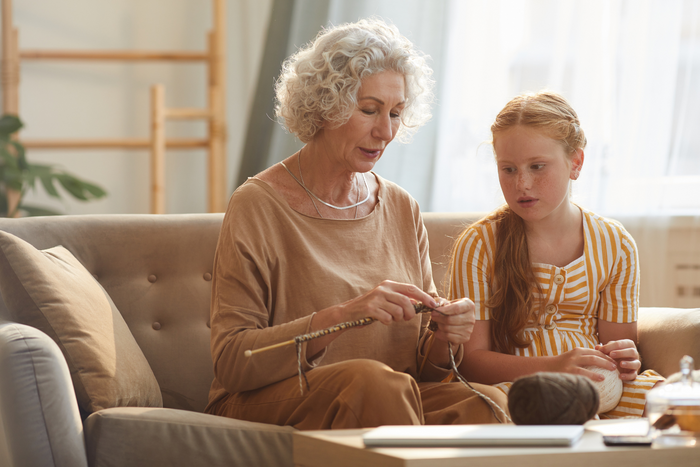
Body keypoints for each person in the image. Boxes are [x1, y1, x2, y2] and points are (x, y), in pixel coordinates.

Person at [204, 18, 508, 430]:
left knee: (489, 401)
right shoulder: (258, 205)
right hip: (273, 398)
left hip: (386, 397)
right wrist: (347, 314)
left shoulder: (401, 207)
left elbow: (424, 370)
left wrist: (444, 335)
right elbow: (234, 362)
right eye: (369, 110)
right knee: (371, 383)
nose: (385, 131)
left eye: (396, 113)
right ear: (325, 105)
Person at [448, 90, 664, 418]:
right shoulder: (479, 244)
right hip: (515, 389)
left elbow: (618, 348)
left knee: (674, 399)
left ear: (575, 162)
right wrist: (555, 366)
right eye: (508, 169)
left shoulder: (616, 243)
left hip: (599, 389)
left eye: (537, 166)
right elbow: (471, 362)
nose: (522, 183)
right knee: (501, 408)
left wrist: (625, 358)